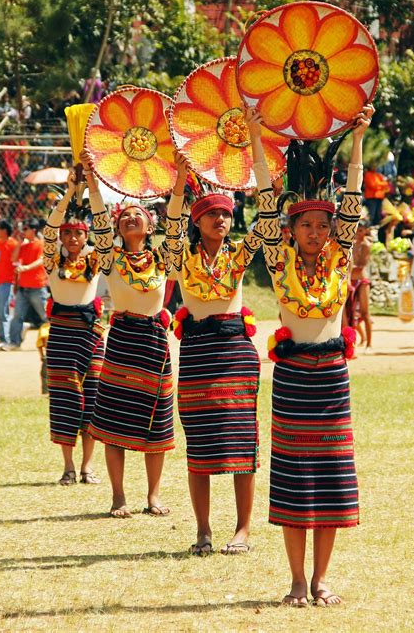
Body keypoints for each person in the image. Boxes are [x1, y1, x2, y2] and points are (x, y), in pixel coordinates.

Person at [260, 105, 374, 607]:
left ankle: (322, 579)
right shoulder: (276, 257)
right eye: (306, 225)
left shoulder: (340, 258)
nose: (315, 232)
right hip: (291, 379)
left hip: (331, 377)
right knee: (292, 479)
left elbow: (352, 194)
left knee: (329, 479)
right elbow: (266, 199)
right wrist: (252, 135)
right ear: (292, 229)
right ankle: (296, 581)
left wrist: (358, 138)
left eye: (322, 226)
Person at [165, 108, 275, 556]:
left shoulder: (240, 254)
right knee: (201, 443)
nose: (222, 222)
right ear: (198, 221)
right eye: (213, 216)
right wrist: (179, 179)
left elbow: (267, 216)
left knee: (241, 441)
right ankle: (203, 531)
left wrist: (254, 137)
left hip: (234, 351)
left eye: (227, 216)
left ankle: (243, 530)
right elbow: (171, 227)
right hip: (195, 353)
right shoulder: (180, 257)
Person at [80, 149, 175, 518]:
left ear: (151, 227)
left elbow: (178, 219)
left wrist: (180, 178)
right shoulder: (109, 257)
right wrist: (91, 178)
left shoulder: (164, 258)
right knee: (113, 418)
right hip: (121, 341)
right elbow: (99, 218)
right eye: (125, 216)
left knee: (158, 420)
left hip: (154, 343)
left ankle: (153, 495)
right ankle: (118, 496)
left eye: (139, 214)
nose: (130, 218)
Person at [42, 171, 105, 485]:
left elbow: (105, 233)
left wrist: (92, 188)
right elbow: (48, 230)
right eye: (67, 234)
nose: (71, 239)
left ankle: (87, 467)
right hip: (62, 334)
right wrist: (68, 194)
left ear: (85, 236)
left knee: (93, 398)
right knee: (66, 399)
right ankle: (68, 466)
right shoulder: (52, 261)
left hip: (92, 335)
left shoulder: (94, 259)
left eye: (77, 234)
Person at [9, 218, 48, 349]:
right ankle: (14, 343)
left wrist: (26, 268)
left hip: (37, 287)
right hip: (23, 287)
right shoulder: (24, 245)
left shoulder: (41, 243)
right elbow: (13, 258)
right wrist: (19, 243)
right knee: (17, 316)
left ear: (34, 230)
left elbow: (41, 260)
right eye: (23, 229)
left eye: (26, 229)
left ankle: (52, 343)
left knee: (45, 316)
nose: (23, 231)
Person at [346, 220, 373, 352]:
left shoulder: (366, 245)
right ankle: (357, 340)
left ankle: (369, 344)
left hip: (362, 281)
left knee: (365, 313)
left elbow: (362, 265)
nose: (359, 233)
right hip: (350, 280)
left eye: (362, 230)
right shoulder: (351, 244)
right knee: (350, 311)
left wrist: (348, 267)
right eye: (358, 230)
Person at [0, 220, 17, 350]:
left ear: (5, 230)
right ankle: (18, 327)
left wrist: (16, 283)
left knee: (3, 311)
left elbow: (17, 263)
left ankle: (4, 339)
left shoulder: (13, 244)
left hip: (8, 282)